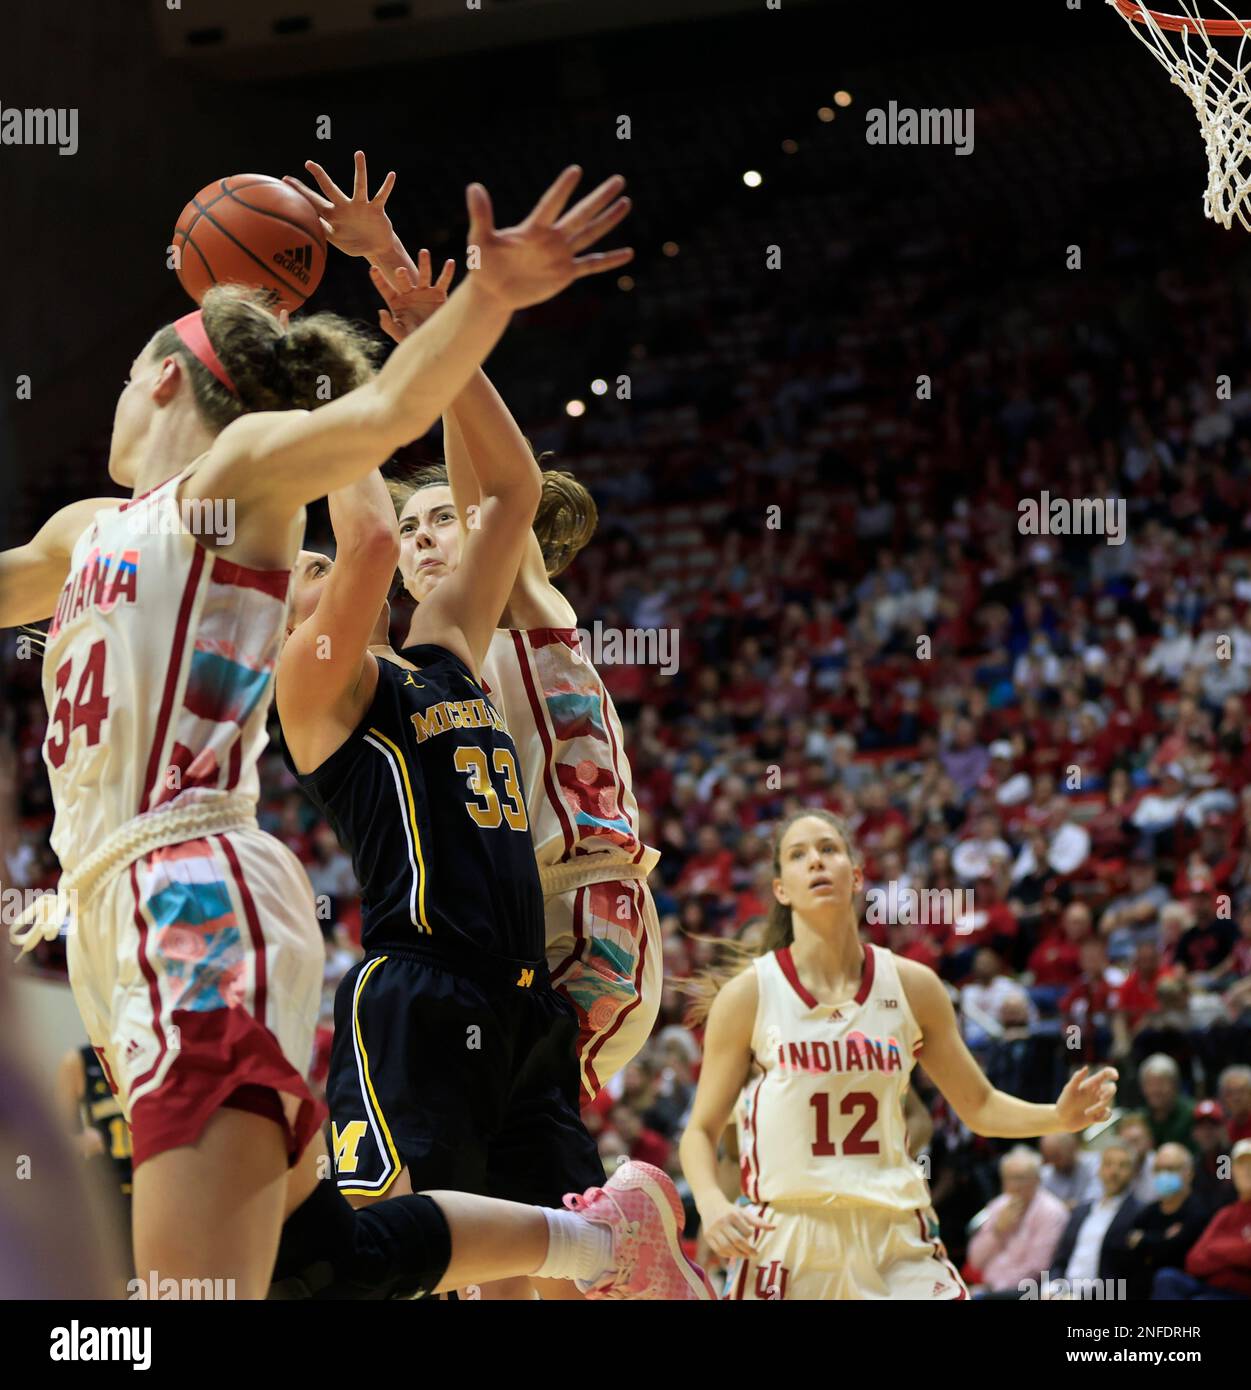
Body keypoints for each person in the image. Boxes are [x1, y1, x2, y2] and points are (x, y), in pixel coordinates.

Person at [1, 163, 638, 1297]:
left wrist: (478, 297)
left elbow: (392, 436)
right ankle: (600, 1242)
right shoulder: (83, 531)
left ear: (158, 378)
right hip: (105, 910)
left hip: (193, 884)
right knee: (318, 1265)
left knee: (178, 1302)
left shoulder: (241, 472)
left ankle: (594, 1241)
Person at [286, 155, 664, 1105]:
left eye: (438, 521)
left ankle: (617, 1234)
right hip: (491, 927)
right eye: (407, 531)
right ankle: (611, 1238)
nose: (420, 538)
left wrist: (427, 326)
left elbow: (496, 490)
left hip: (582, 897)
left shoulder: (519, 596)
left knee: (506, 1136)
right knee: (488, 1178)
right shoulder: (426, 664)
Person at [677, 809, 1115, 1300]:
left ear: (857, 875)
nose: (816, 862)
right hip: (790, 1236)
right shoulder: (750, 994)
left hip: (894, 1232)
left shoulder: (913, 985)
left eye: (828, 849)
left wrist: (1057, 1116)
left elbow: (981, 1106)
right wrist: (712, 1204)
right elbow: (700, 1131)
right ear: (781, 889)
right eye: (798, 856)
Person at [1150, 1139, 1251, 1300]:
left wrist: (1215, 1249)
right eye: (1241, 1165)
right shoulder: (1226, 1213)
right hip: (1209, 1286)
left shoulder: (1198, 1209)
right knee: (1166, 1278)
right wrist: (1237, 1249)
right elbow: (1193, 1261)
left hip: (1241, 1292)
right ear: (1232, 1171)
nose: (1246, 1171)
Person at [967, 1148, 1070, 1296]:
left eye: (1020, 1178)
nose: (1014, 1185)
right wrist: (997, 1231)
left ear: (1037, 1179)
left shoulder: (1052, 1212)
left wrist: (993, 1288)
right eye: (1008, 1178)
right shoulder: (998, 1205)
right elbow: (975, 1260)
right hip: (989, 1288)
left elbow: (1037, 1268)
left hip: (1025, 1291)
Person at [1047, 1142, 1140, 1295]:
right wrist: (1051, 1287)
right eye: (1108, 1164)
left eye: (1122, 1165)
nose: (1114, 1171)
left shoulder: (1138, 1213)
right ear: (1099, 1170)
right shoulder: (1081, 1211)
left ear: (1133, 1172)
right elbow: (1060, 1260)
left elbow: (1127, 1274)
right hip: (1064, 1292)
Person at [1121, 1143, 1210, 1300]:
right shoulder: (1149, 1211)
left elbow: (1176, 1251)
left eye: (1170, 1169)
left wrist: (1144, 1240)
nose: (1163, 1175)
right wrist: (1163, 1239)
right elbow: (1129, 1245)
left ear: (1188, 1172)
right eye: (1158, 1169)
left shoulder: (1198, 1211)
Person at [1139, 1053, 1195, 1151]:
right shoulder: (1140, 1119)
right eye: (1150, 1084)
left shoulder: (1192, 1114)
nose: (1155, 1090)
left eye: (1161, 1083)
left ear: (1175, 1085)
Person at [1039, 1131, 1101, 1209]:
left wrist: (1067, 1206)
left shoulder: (1094, 1163)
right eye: (1049, 1158)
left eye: (1056, 1156)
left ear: (1072, 1148)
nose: (1053, 1163)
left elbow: (1096, 1197)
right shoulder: (1046, 1175)